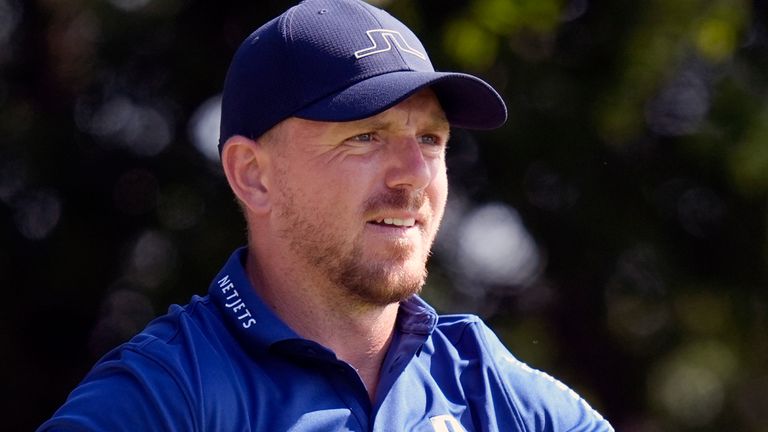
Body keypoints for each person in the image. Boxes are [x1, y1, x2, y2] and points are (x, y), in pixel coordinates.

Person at [38, 0, 614, 430]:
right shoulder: (169, 395)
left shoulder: (488, 387)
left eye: (432, 139)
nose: (414, 173)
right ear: (252, 174)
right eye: (366, 136)